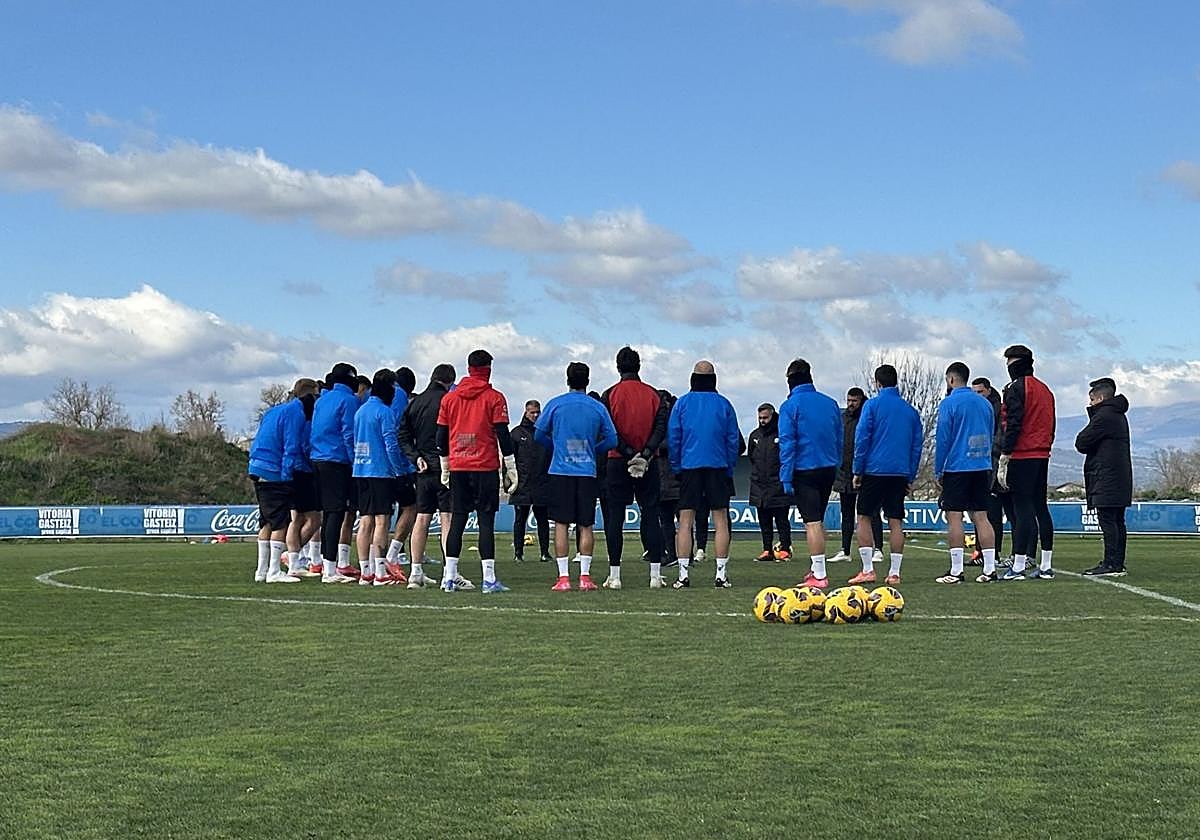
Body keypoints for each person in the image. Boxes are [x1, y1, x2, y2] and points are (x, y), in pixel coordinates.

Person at [436, 349, 516, 594]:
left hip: (459, 466)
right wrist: (511, 465)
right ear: (488, 369)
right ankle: (488, 579)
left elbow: (440, 435)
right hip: (485, 467)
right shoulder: (495, 397)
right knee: (485, 522)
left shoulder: (449, 399)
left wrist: (445, 464)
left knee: (458, 520)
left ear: (469, 368)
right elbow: (502, 433)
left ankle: (449, 577)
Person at [535, 363, 619, 591]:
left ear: (567, 380)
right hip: (586, 471)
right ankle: (585, 577)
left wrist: (556, 447)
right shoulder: (597, 407)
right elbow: (612, 439)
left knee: (561, 524)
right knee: (586, 524)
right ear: (587, 381)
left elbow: (539, 434)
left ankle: (563, 578)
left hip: (560, 471)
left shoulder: (556, 404)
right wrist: (593, 449)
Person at [667, 360, 740, 589]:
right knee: (721, 521)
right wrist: (728, 468)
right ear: (714, 379)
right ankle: (721, 575)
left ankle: (683, 575)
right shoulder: (724, 404)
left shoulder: (682, 404)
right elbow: (733, 440)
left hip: (690, 467)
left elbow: (674, 438)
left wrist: (676, 467)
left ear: (693, 378)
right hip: (718, 466)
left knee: (685, 522)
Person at [600, 346, 668, 590]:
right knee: (651, 514)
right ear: (639, 366)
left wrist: (629, 453)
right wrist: (645, 455)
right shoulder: (654, 395)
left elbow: (609, 430)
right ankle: (655, 575)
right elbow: (660, 428)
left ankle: (615, 575)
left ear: (618, 367)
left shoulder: (610, 394)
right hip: (648, 462)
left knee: (615, 517)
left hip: (618, 460)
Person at [851, 364, 922, 585]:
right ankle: (894, 573)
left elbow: (862, 439)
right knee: (895, 521)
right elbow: (916, 447)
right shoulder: (910, 411)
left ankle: (867, 569)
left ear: (877, 382)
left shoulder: (871, 406)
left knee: (863, 517)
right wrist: (910, 475)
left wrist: (857, 470)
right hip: (899, 472)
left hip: (874, 470)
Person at [777, 360, 843, 589]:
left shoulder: (790, 406)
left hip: (804, 469)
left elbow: (787, 444)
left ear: (790, 380)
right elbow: (838, 437)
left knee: (811, 522)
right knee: (818, 520)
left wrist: (786, 476)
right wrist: (837, 464)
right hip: (828, 467)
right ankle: (817, 568)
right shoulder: (830, 403)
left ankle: (820, 575)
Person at [932, 362, 999, 584]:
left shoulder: (948, 403)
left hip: (957, 467)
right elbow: (991, 432)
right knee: (981, 516)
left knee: (954, 517)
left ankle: (956, 570)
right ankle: (989, 569)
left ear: (951, 379)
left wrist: (939, 470)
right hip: (982, 466)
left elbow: (943, 439)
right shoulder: (985, 403)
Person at [997, 345, 1057, 581]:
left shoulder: (1016, 388)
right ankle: (1046, 565)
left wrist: (1006, 453)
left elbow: (1013, 423)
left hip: (1022, 455)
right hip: (1042, 454)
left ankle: (1019, 565)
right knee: (1041, 508)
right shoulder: (1046, 390)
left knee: (1021, 509)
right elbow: (1051, 423)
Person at [399, 364, 456, 590]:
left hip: (422, 467)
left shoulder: (415, 402)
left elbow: (402, 435)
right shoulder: (449, 401)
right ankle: (449, 572)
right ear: (450, 381)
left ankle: (415, 572)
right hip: (446, 466)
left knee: (422, 518)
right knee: (447, 518)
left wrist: (415, 457)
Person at [352, 369, 409, 586]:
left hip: (360, 470)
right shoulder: (385, 412)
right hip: (380, 471)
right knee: (381, 521)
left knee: (365, 520)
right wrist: (399, 470)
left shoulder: (360, 411)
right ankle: (380, 572)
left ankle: (365, 571)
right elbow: (390, 444)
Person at [1075, 377, 1132, 577]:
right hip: (1118, 477)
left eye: (1092, 400)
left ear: (1099, 398)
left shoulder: (1104, 416)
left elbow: (1082, 442)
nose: (1090, 404)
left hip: (1106, 477)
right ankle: (1117, 562)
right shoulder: (1118, 415)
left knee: (1108, 521)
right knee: (1117, 521)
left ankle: (1110, 563)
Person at [310, 362, 360, 583]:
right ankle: (330, 569)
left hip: (318, 459)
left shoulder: (322, 400)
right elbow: (349, 434)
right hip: (337, 461)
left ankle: (325, 563)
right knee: (336, 513)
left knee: (328, 513)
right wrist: (355, 462)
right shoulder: (349, 400)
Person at [248, 393, 304, 583]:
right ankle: (273, 571)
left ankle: (261, 570)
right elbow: (291, 445)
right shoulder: (295, 413)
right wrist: (287, 476)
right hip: (273, 470)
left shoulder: (273, 411)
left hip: (257, 466)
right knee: (281, 522)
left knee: (266, 521)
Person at [830, 387, 883, 563]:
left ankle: (878, 549)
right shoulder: (842, 418)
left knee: (871, 512)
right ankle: (845, 550)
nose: (851, 404)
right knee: (846, 513)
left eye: (854, 401)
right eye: (849, 400)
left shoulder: (868, 417)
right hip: (844, 473)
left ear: (861, 400)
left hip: (866, 472)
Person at [971, 377, 1015, 564]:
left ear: (989, 390)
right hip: (985, 465)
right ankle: (983, 552)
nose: (978, 396)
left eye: (980, 392)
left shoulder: (997, 409)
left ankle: (994, 553)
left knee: (994, 512)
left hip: (995, 466)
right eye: (974, 393)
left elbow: (999, 437)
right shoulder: (982, 408)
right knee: (983, 511)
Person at [281, 378, 322, 578]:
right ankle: (293, 556)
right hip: (302, 470)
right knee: (313, 519)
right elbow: (304, 444)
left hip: (291, 469)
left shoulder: (287, 411)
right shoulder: (304, 416)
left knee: (296, 519)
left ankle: (293, 559)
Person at [382, 367, 419, 581]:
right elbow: (396, 434)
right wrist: (402, 467)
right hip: (396, 466)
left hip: (372, 466)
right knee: (410, 508)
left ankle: (375, 564)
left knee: (379, 514)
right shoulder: (399, 398)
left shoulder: (378, 399)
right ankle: (393, 554)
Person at [748, 403, 791, 562]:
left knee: (782, 520)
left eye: (765, 417)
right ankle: (767, 550)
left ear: (773, 416)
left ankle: (785, 549)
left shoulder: (782, 434)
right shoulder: (754, 436)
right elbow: (752, 457)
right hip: (759, 485)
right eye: (760, 418)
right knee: (764, 520)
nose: (762, 421)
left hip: (778, 484)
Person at [510, 400, 552, 563]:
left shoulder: (545, 433)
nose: (535, 415)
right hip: (522, 484)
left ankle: (545, 553)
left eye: (537, 412)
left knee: (543, 520)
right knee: (520, 520)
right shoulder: (516, 433)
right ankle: (518, 553)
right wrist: (510, 481)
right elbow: (510, 459)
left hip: (542, 483)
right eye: (532, 412)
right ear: (526, 412)